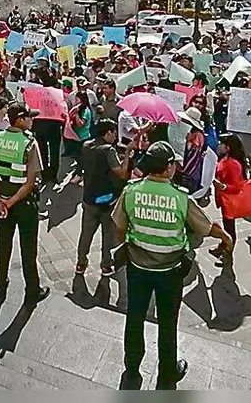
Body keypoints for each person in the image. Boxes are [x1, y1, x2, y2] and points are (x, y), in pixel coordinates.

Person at [113, 141, 234, 390]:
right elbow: (205, 226)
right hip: (170, 272)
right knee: (168, 322)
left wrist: (130, 244)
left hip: (138, 268)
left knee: (134, 317)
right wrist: (225, 237)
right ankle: (168, 369)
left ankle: (133, 366)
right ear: (167, 168)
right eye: (172, 163)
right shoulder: (180, 197)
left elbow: (119, 227)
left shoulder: (131, 191)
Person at [0, 103, 50, 308]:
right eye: (29, 117)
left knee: (3, 246)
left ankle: (1, 286)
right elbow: (30, 183)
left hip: (1, 203)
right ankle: (32, 291)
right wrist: (11, 202)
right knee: (28, 249)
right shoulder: (29, 143)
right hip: (24, 205)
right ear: (20, 120)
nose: (32, 120)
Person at [76, 119, 134, 276]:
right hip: (106, 200)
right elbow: (121, 173)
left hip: (88, 198)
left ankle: (81, 263)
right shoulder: (109, 150)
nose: (115, 136)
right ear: (108, 133)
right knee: (107, 235)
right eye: (114, 133)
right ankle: (106, 265)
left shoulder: (86, 145)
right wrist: (127, 153)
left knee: (86, 234)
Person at [210, 133, 249, 266]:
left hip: (230, 201)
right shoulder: (225, 159)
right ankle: (223, 245)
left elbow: (237, 186)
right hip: (224, 199)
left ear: (228, 147)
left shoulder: (233, 164)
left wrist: (223, 186)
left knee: (229, 229)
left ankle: (228, 253)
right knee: (227, 226)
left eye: (221, 143)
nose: (218, 145)